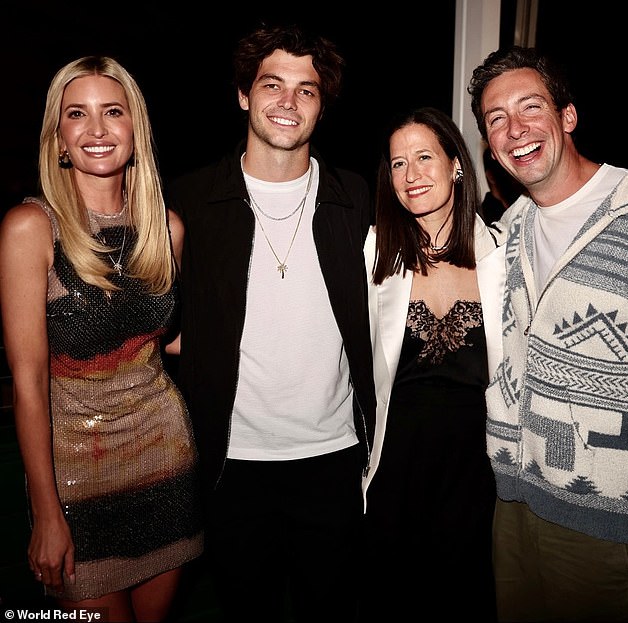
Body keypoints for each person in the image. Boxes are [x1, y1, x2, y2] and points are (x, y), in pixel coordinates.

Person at [166, 23, 376, 623]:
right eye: (272, 84)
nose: (288, 101)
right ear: (243, 94)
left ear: (322, 105)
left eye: (306, 90)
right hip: (231, 465)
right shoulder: (188, 201)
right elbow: (150, 313)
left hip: (335, 461)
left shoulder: (355, 198)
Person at [0, 56, 203, 621]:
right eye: (77, 114)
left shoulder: (166, 227)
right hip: (74, 474)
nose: (96, 129)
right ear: (59, 136)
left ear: (134, 128)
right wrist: (45, 511)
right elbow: (27, 380)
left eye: (112, 112)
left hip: (166, 457)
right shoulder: (31, 228)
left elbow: (156, 340)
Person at [469, 45, 628, 622]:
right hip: (514, 506)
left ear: (567, 116)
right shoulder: (504, 235)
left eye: (530, 107)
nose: (515, 130)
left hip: (607, 521)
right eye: (496, 119)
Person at [360, 106, 501, 622]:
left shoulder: (501, 255)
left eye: (423, 157)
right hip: (396, 464)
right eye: (398, 164)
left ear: (456, 165)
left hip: (477, 471)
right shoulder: (375, 252)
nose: (410, 174)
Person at [480, 146, 525, 225]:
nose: (513, 175)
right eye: (504, 170)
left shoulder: (524, 202)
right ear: (491, 176)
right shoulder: (484, 219)